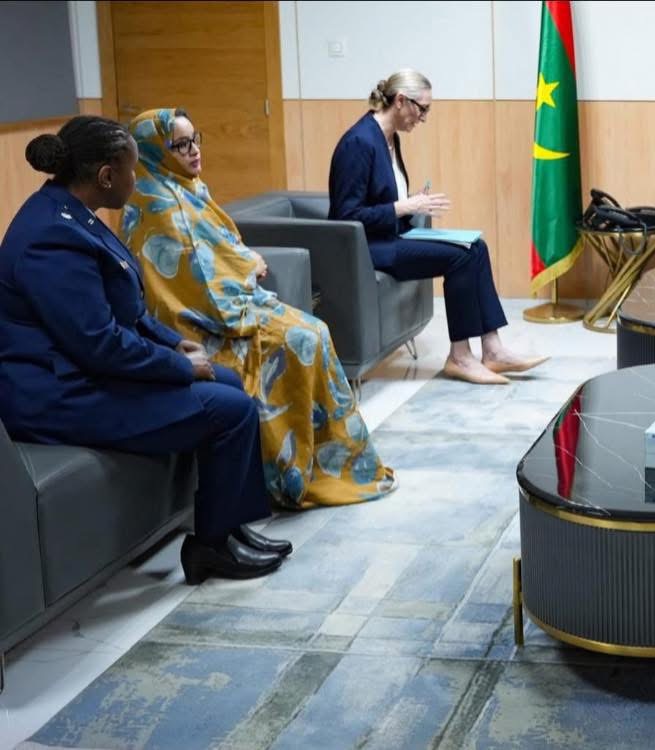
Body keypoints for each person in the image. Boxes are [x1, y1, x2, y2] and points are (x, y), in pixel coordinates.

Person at [0, 116, 291, 584]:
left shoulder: (72, 214)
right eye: (131, 170)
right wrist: (179, 367)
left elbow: (125, 310)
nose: (136, 180)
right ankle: (210, 547)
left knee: (229, 381)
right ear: (106, 175)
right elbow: (98, 343)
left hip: (83, 373)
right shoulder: (50, 238)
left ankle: (229, 527)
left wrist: (171, 340)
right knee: (231, 409)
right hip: (57, 395)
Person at [121, 108, 396, 510]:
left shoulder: (188, 188)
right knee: (301, 339)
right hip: (201, 325)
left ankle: (328, 463)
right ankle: (291, 471)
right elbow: (195, 282)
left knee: (314, 331)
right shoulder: (159, 206)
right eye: (179, 144)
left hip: (231, 304)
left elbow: (220, 249)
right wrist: (247, 268)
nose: (194, 150)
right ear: (154, 151)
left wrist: (244, 262)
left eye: (195, 139)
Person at [328, 68, 546, 385]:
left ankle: (493, 350)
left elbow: (382, 197)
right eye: (422, 109)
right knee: (460, 257)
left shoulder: (389, 138)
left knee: (476, 247)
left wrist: (411, 201)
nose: (424, 118)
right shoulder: (359, 142)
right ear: (400, 101)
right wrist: (404, 207)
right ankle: (460, 357)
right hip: (369, 248)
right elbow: (346, 216)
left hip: (392, 235)